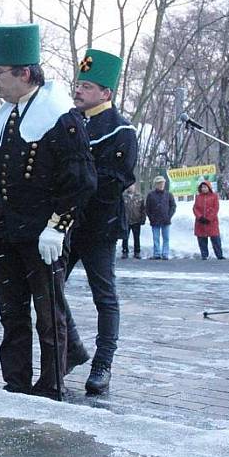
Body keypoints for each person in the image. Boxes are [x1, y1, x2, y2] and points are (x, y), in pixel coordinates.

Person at [0, 24, 96, 400]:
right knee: (12, 315)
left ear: (24, 73)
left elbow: (81, 180)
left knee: (49, 315)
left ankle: (52, 383)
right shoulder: (6, 116)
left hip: (42, 235)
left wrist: (58, 226)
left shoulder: (60, 116)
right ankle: (16, 382)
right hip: (7, 231)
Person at [63, 49, 138, 395]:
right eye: (78, 84)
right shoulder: (69, 121)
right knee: (48, 289)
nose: (79, 91)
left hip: (99, 224)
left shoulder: (121, 131)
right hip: (65, 222)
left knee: (104, 295)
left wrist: (75, 187)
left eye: (87, 86)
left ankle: (103, 363)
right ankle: (73, 348)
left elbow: (113, 181)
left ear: (106, 93)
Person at [145, 176, 175, 260]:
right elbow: (147, 208)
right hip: (155, 220)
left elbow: (173, 206)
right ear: (156, 184)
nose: (161, 185)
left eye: (162, 183)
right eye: (159, 183)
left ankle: (165, 254)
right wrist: (151, 217)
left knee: (166, 238)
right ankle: (157, 253)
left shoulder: (169, 194)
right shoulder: (151, 195)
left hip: (166, 220)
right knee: (156, 238)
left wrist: (169, 216)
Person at [193, 179, 224, 260]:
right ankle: (204, 255)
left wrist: (209, 218)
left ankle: (219, 255)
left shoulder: (214, 196)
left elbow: (215, 208)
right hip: (200, 222)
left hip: (212, 222)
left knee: (215, 239)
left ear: (209, 187)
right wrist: (200, 217)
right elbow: (195, 208)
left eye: (205, 187)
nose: (204, 189)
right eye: (202, 187)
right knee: (202, 239)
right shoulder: (198, 197)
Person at [122, 183, 145, 259]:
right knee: (125, 237)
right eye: (129, 186)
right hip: (126, 221)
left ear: (134, 186)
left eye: (131, 186)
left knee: (136, 237)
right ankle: (125, 252)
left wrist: (143, 218)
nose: (130, 188)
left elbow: (143, 209)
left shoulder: (140, 196)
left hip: (136, 220)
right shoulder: (123, 196)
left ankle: (137, 252)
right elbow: (120, 209)